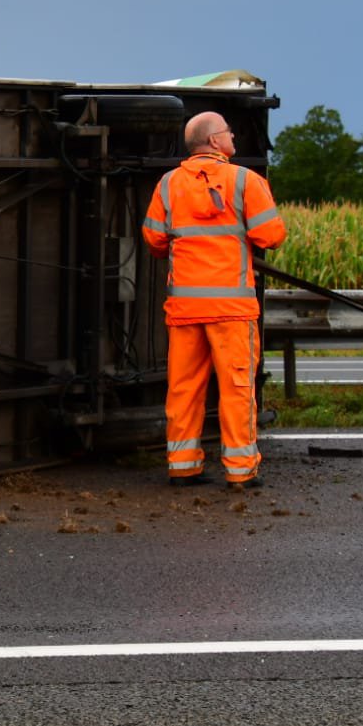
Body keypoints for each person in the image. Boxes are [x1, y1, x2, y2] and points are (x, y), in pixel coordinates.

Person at [140, 111, 287, 489]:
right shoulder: (244, 181)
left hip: (185, 309)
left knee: (184, 388)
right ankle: (240, 471)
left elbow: (154, 240)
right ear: (213, 142)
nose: (234, 136)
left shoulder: (169, 184)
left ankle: (182, 465)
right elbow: (271, 235)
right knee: (237, 389)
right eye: (228, 131)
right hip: (231, 311)